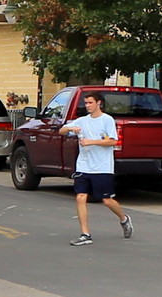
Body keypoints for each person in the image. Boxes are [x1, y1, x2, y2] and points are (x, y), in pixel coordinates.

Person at [60, 92, 132, 244]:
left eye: (90, 103)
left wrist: (91, 142)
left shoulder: (107, 120)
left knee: (106, 200)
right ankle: (85, 234)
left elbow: (113, 141)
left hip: (102, 167)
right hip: (83, 166)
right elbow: (61, 130)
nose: (87, 106)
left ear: (99, 103)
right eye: (85, 103)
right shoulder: (81, 121)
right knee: (80, 197)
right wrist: (70, 129)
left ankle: (124, 219)